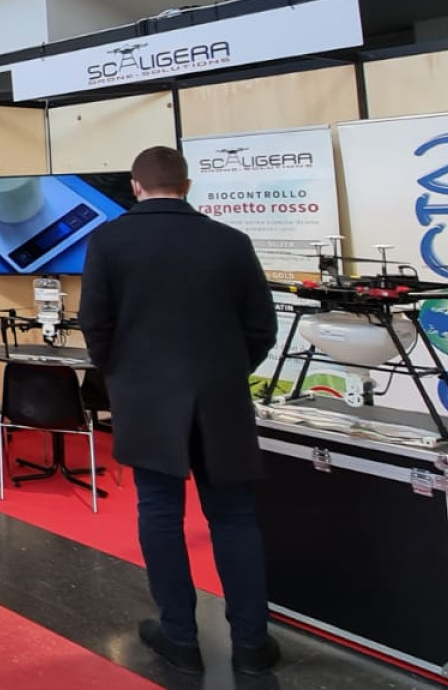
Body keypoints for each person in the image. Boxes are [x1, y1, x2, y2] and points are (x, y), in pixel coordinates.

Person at [79, 146, 282, 678]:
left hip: (145, 401)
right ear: (188, 187)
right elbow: (262, 327)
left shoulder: (108, 240)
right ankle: (253, 644)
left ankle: (180, 637)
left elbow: (95, 325)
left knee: (161, 516)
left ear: (135, 186)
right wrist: (225, 370)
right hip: (221, 399)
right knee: (235, 519)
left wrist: (122, 376)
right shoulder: (232, 242)